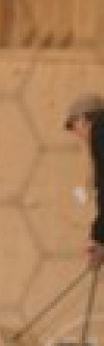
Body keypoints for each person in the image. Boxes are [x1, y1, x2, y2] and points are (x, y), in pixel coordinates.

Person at [70, 93, 104, 270]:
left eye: (72, 125)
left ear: (83, 119)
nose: (76, 134)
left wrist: (99, 238)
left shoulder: (99, 132)